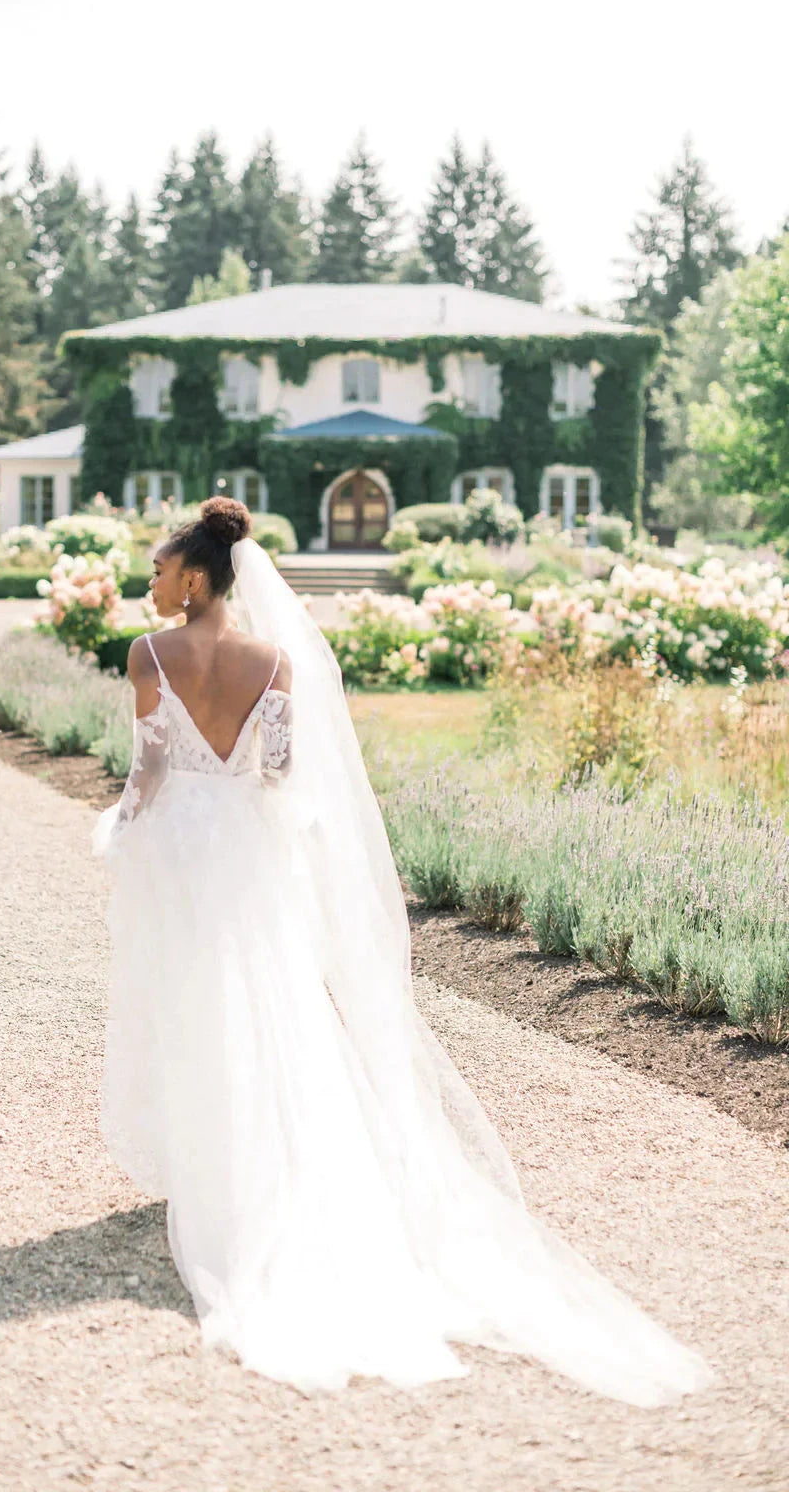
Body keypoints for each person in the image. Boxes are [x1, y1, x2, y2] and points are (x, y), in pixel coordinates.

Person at [91, 496, 715, 1403]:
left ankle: (215, 1169)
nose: (147, 582)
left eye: (156, 569)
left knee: (196, 1001)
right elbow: (275, 771)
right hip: (250, 857)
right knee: (278, 1005)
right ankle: (275, 1165)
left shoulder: (149, 655)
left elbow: (147, 768)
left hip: (186, 851)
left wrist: (124, 829)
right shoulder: (275, 662)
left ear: (193, 577)